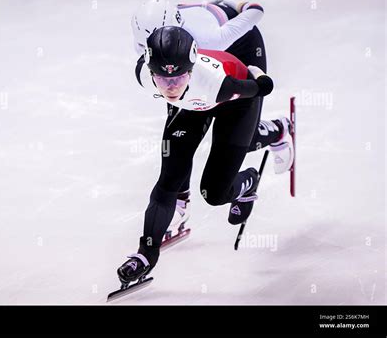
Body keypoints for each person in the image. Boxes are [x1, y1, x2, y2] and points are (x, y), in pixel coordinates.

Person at [117, 26, 276, 284]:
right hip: (193, 104)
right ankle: (146, 254)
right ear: (150, 72)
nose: (170, 87)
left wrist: (261, 79)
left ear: (191, 70)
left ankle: (248, 180)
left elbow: (257, 87)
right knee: (169, 178)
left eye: (178, 78)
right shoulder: (144, 74)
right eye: (162, 79)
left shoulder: (218, 84)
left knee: (214, 194)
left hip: (235, 104)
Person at [130, 0, 293, 236]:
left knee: (237, 140)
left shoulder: (209, 37)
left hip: (240, 50)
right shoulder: (146, 44)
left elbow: (256, 11)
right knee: (178, 129)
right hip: (194, 63)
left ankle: (278, 130)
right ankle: (180, 202)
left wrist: (232, 4)